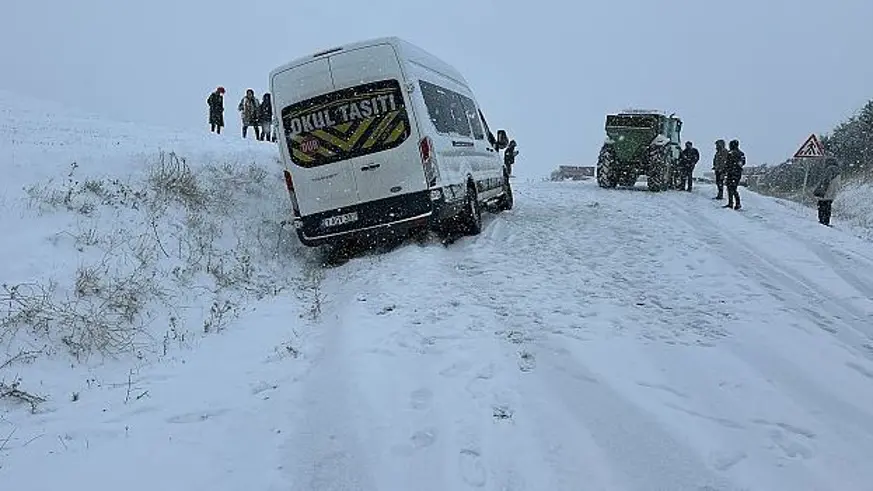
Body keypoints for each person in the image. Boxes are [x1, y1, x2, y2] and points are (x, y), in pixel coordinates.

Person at [813, 158, 842, 226]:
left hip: (827, 190)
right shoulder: (839, 170)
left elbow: (826, 180)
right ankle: (827, 221)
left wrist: (821, 191)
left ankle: (822, 221)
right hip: (833, 192)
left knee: (822, 205)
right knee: (828, 206)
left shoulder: (829, 169)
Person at [723, 139, 746, 210]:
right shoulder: (741, 154)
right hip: (737, 173)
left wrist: (726, 170)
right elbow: (743, 163)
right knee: (733, 188)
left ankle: (732, 203)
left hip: (731, 173)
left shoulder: (731, 153)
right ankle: (737, 203)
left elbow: (727, 164)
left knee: (730, 188)